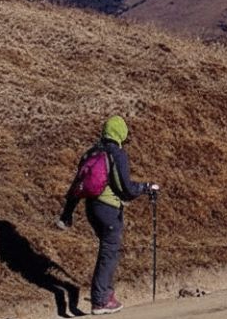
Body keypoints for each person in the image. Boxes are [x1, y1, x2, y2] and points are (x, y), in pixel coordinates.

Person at [57, 116, 158, 315]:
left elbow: (77, 185)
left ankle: (106, 294)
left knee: (108, 249)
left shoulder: (90, 153)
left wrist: (67, 214)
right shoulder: (116, 153)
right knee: (109, 251)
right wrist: (146, 187)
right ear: (121, 133)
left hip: (91, 209)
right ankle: (101, 300)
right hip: (108, 210)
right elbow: (126, 190)